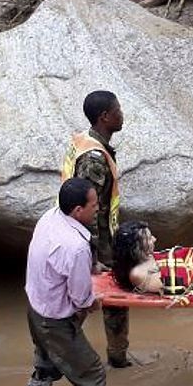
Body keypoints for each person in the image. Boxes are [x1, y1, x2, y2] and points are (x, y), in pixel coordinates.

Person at [20, 177, 106, 386]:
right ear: (78, 210)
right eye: (94, 205)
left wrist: (90, 269)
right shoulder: (76, 247)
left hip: (36, 310)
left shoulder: (49, 217)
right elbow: (81, 298)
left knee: (46, 367)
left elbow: (56, 263)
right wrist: (94, 303)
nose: (98, 208)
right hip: (55, 321)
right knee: (93, 375)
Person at [60, 91, 132, 368]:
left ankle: (115, 355)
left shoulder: (88, 144)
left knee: (101, 299)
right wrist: (91, 258)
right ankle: (59, 351)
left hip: (98, 240)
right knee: (99, 298)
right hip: (95, 244)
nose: (122, 114)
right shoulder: (93, 158)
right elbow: (86, 212)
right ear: (105, 117)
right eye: (118, 110)